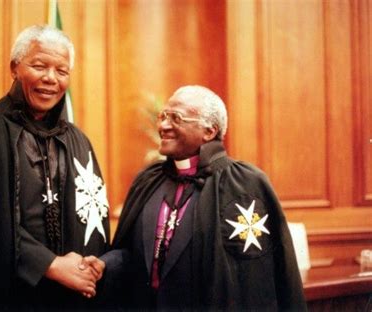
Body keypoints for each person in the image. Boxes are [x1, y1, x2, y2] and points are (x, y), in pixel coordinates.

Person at [0, 25, 109, 311]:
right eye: (39, 66)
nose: (50, 79)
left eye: (62, 71)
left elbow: (95, 215)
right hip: (4, 294)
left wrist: (90, 265)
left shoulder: (78, 140)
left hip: (67, 296)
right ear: (15, 67)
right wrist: (50, 265)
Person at [101, 85, 306, 310]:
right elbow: (132, 253)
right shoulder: (148, 180)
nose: (163, 125)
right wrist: (104, 264)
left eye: (176, 118)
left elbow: (256, 279)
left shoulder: (245, 184)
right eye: (163, 116)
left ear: (209, 131)